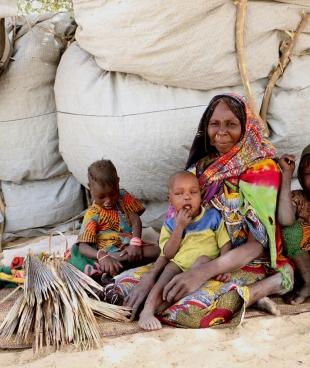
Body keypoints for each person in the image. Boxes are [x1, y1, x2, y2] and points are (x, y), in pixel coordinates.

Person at [112, 94, 293, 328]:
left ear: (246, 127)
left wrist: (203, 272)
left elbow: (256, 245)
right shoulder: (201, 168)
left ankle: (269, 286)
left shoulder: (261, 170)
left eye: (231, 124)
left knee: (188, 312)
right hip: (196, 255)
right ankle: (246, 294)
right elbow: (177, 224)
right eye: (214, 124)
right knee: (119, 292)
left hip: (243, 261)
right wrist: (150, 276)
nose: (221, 132)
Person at [139, 171, 231, 330]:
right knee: (163, 279)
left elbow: (225, 244)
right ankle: (147, 311)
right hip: (178, 264)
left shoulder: (212, 217)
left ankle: (168, 303)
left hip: (204, 266)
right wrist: (179, 227)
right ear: (171, 200)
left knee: (202, 261)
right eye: (179, 193)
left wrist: (225, 267)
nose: (187, 197)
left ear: (200, 196)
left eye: (193, 192)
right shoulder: (169, 224)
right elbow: (168, 253)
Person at [69, 159, 159, 280]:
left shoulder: (123, 197)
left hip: (130, 248)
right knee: (112, 260)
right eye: (101, 197)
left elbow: (135, 220)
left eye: (113, 194)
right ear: (90, 188)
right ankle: (112, 265)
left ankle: (118, 267)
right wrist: (101, 256)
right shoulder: (93, 214)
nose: (108, 201)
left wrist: (135, 243)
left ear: (117, 182)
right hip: (109, 253)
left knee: (159, 251)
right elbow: (82, 247)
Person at [278, 145, 310, 304]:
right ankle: (308, 281)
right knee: (290, 231)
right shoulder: (298, 197)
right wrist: (286, 177)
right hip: (304, 260)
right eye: (309, 174)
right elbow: (285, 220)